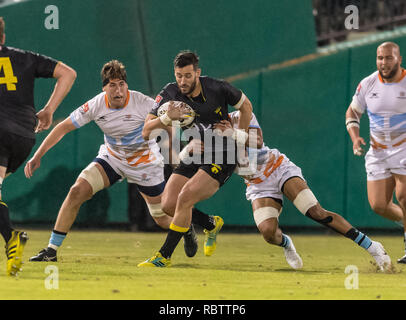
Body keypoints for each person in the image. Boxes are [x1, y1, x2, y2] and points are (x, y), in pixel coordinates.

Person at [25, 60, 197, 262]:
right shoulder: (96, 105)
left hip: (146, 164)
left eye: (122, 84)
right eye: (113, 85)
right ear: (104, 88)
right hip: (113, 159)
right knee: (76, 191)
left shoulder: (144, 103)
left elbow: (168, 127)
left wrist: (175, 156)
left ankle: (186, 227)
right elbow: (63, 127)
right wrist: (38, 155)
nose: (118, 90)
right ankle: (51, 251)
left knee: (161, 219)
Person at [211, 111, 392, 272]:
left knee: (315, 211)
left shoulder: (241, 115)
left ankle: (372, 246)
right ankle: (287, 243)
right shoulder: (207, 135)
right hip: (257, 184)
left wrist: (232, 133)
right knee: (268, 233)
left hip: (277, 168)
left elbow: (257, 141)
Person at [138, 50, 253, 267]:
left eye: (188, 76)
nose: (182, 81)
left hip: (223, 153)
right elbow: (146, 131)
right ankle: (210, 223)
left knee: (185, 198)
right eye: (179, 75)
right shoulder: (170, 93)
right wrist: (166, 117)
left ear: (197, 73)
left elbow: (246, 107)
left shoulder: (219, 88)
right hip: (195, 151)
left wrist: (240, 136)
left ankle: (164, 256)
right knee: (168, 204)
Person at [0, 17, 76, 275]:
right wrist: (49, 110)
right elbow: (68, 73)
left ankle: (11, 237)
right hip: (24, 135)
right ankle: (10, 242)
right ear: (2, 38)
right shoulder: (24, 57)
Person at [345, 41, 406, 264]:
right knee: (379, 205)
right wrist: (355, 137)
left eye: (388, 58)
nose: (383, 62)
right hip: (378, 152)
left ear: (399, 59)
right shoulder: (368, 84)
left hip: (404, 149)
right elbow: (352, 111)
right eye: (380, 58)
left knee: (403, 195)